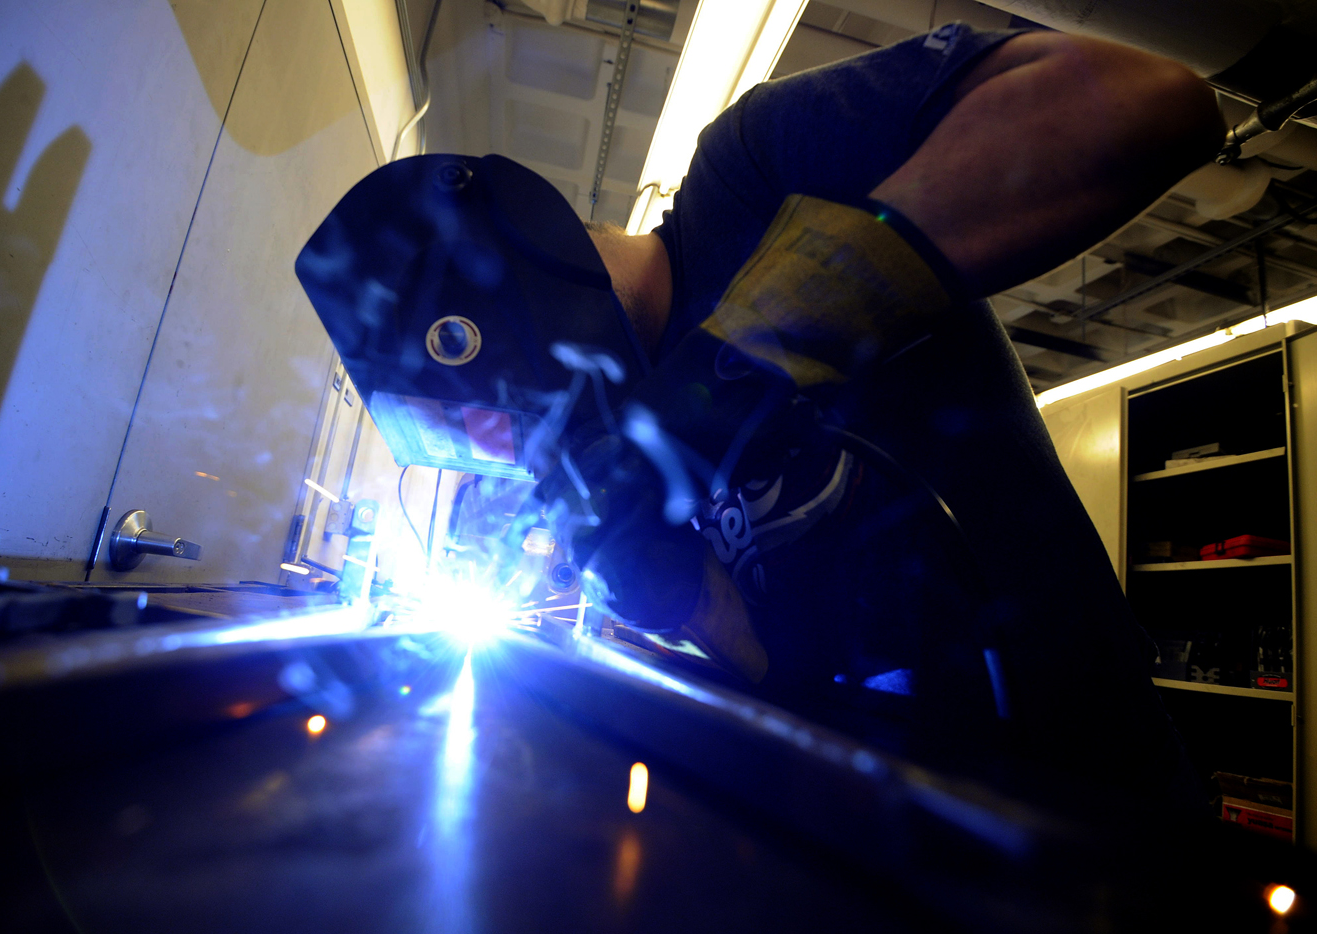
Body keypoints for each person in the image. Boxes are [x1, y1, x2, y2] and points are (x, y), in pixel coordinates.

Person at [297, 23, 1224, 815]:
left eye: (509, 420)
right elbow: (782, 668)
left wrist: (724, 372)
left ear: (511, 311)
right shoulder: (624, 468)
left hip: (1098, 781)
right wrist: (683, 598)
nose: (537, 449)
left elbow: (1151, 103)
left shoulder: (749, 174)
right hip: (906, 815)